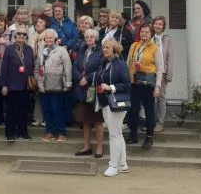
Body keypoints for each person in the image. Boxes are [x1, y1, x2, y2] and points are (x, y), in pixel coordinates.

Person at [97, 39, 131, 177]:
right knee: (117, 133)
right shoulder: (106, 63)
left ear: (115, 50)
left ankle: (113, 165)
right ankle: (122, 164)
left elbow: (127, 85)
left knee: (114, 135)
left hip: (117, 103)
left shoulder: (121, 65)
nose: (104, 50)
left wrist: (110, 87)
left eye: (108, 47)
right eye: (104, 47)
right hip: (107, 103)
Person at [127, 24, 164, 149]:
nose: (144, 34)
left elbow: (160, 68)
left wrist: (158, 86)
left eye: (147, 32)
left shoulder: (155, 48)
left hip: (148, 84)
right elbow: (128, 63)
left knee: (149, 111)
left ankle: (149, 137)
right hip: (134, 82)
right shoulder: (134, 45)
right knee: (133, 110)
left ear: (151, 34)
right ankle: (133, 135)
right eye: (142, 32)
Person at [35, 29, 72, 142]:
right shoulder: (41, 51)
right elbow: (36, 68)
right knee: (46, 110)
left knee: (57, 109)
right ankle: (50, 131)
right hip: (44, 85)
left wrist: (68, 83)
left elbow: (68, 67)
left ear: (55, 39)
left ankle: (61, 132)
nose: (49, 39)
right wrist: (38, 80)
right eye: (47, 38)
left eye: (51, 37)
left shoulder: (61, 50)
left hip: (58, 84)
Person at [73, 28, 105, 158]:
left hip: (94, 90)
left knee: (97, 120)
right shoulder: (82, 50)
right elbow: (74, 66)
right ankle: (87, 146)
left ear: (96, 38)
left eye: (92, 37)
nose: (89, 39)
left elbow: (101, 70)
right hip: (81, 90)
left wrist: (88, 78)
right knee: (85, 120)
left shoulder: (101, 52)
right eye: (87, 37)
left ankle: (99, 147)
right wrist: (79, 78)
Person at [0, 24, 34, 142]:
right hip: (12, 85)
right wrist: (4, 85)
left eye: (24, 34)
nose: (21, 36)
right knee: (11, 111)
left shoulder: (29, 49)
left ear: (26, 36)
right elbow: (4, 68)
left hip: (25, 85)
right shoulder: (9, 49)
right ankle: (10, 133)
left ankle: (23, 132)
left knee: (24, 110)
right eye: (19, 34)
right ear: (15, 36)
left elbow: (32, 66)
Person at [152, 16, 174, 133]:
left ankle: (160, 123)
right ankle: (150, 122)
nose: (158, 26)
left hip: (163, 72)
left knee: (160, 98)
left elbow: (170, 58)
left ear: (163, 27)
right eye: (156, 23)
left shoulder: (167, 40)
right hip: (150, 72)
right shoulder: (149, 38)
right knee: (150, 98)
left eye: (160, 24)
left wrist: (169, 74)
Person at [30, 14, 50, 127]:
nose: (38, 24)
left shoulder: (49, 35)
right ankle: (37, 118)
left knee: (46, 93)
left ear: (46, 24)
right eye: (37, 22)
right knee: (37, 93)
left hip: (46, 68)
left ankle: (46, 118)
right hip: (35, 67)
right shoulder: (33, 36)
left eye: (41, 22)